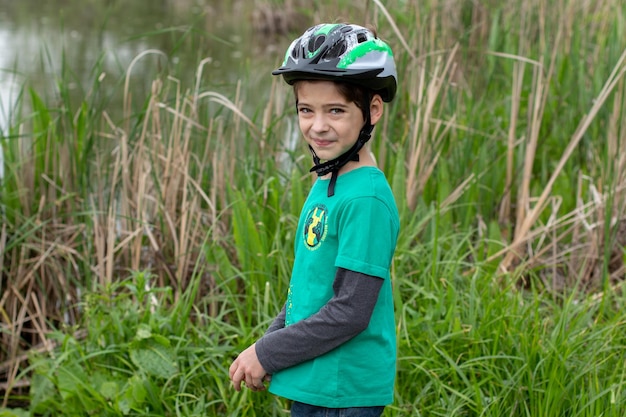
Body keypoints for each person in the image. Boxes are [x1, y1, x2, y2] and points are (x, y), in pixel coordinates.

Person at [229, 22, 400, 417]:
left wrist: (267, 352)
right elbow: (311, 289)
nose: (318, 126)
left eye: (335, 110)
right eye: (307, 110)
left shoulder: (367, 200)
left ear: (373, 109)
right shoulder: (329, 180)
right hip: (316, 380)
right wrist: (270, 344)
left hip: (342, 392)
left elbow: (349, 311)